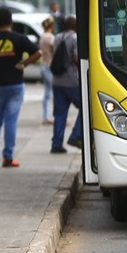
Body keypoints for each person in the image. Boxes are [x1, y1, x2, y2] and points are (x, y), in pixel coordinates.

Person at [0, 9, 42, 168]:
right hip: (15, 85)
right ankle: (8, 157)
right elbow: (38, 53)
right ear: (11, 22)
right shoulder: (19, 38)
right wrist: (23, 64)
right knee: (11, 121)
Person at [50, 15, 83, 153]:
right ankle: (76, 135)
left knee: (60, 113)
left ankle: (56, 144)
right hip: (71, 81)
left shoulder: (57, 37)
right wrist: (81, 70)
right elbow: (76, 57)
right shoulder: (75, 38)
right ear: (75, 25)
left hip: (57, 81)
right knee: (86, 107)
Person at [39, 17, 56, 125]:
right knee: (53, 92)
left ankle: (46, 116)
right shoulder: (51, 37)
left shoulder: (42, 37)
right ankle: (53, 116)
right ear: (52, 26)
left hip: (43, 65)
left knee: (47, 92)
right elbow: (55, 51)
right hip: (50, 66)